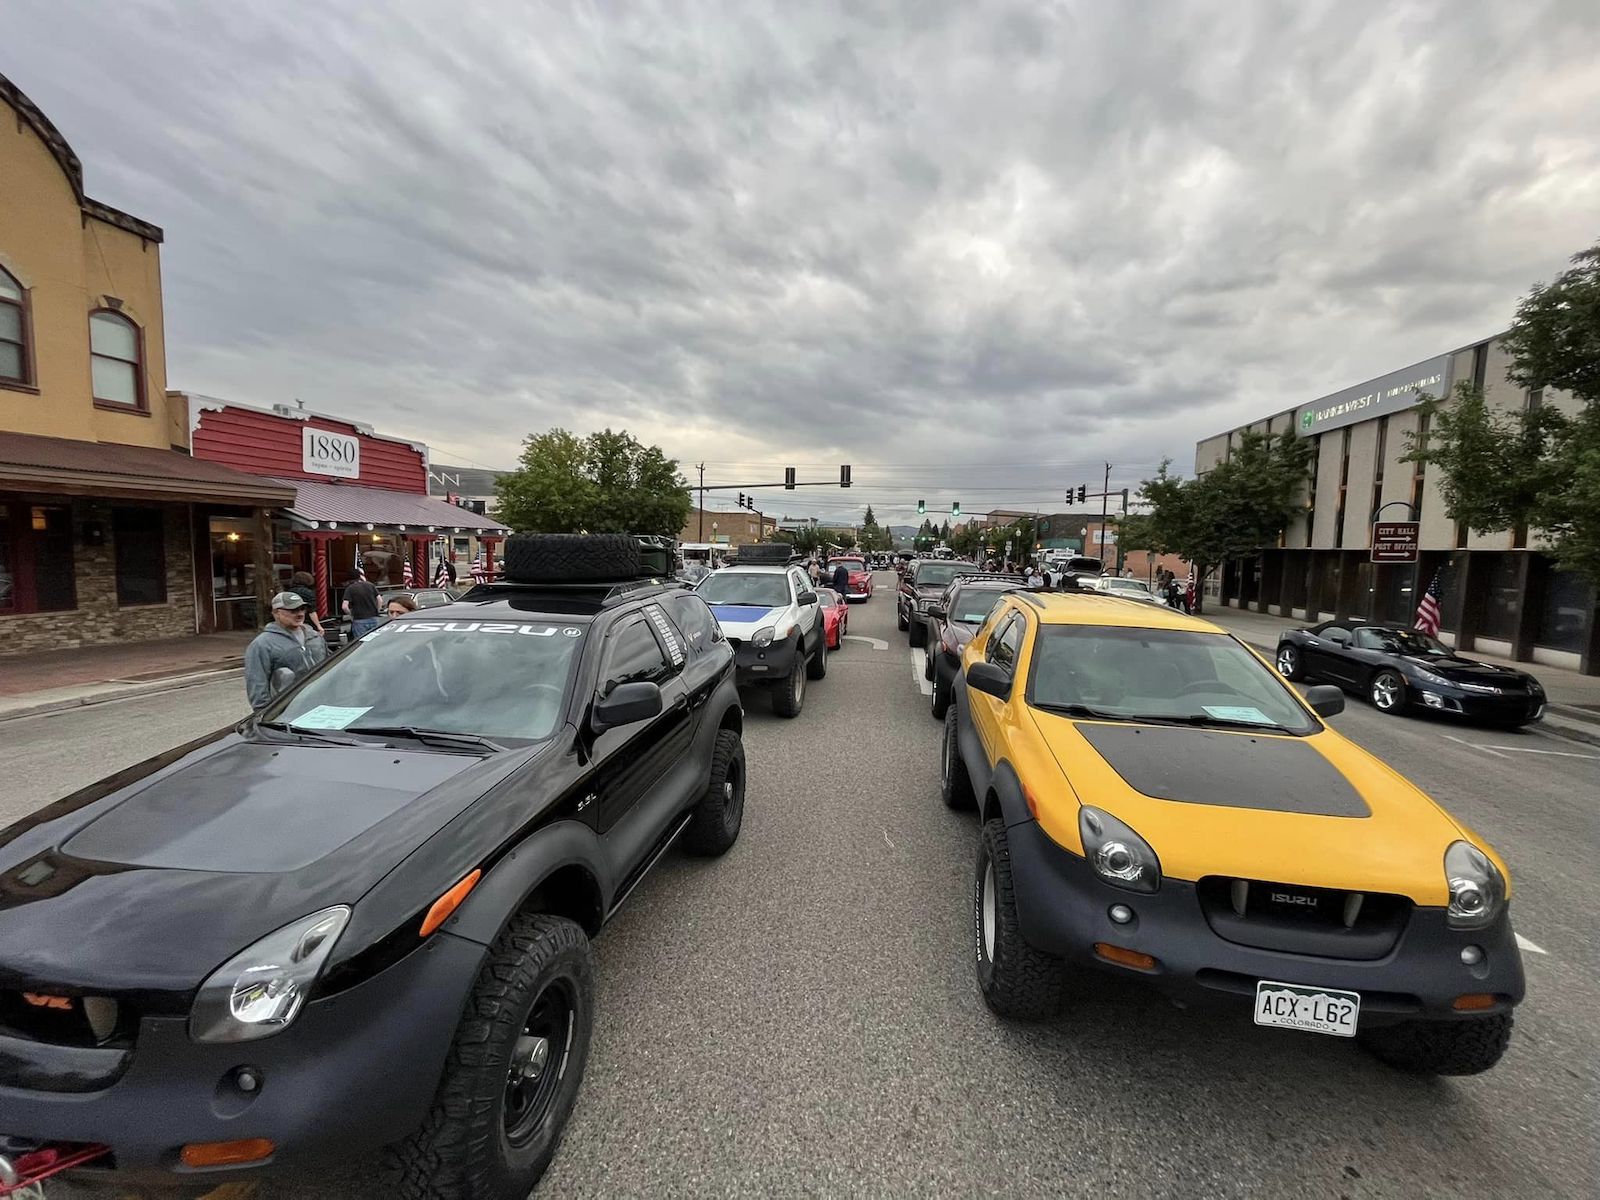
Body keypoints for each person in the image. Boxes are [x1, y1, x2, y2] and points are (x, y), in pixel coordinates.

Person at [244, 591, 328, 709]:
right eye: (293, 610)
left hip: (322, 706)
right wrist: (264, 714)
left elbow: (331, 669)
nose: (300, 614)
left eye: (302, 609)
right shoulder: (262, 645)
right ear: (276, 613)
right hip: (289, 712)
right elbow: (257, 683)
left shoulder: (315, 637)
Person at [343, 569, 382, 640]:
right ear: (359, 576)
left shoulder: (350, 588)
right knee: (375, 641)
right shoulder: (370, 585)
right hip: (374, 618)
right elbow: (380, 600)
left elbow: (344, 607)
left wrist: (351, 614)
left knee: (361, 643)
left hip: (359, 620)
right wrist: (377, 611)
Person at [287, 570, 324, 636]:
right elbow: (312, 611)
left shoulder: (288, 592)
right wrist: (319, 626)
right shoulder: (309, 593)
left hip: (291, 621)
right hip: (306, 622)